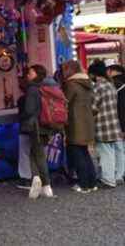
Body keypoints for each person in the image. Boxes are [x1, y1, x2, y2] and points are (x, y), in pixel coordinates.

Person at [60, 60, 97, 193]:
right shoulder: (87, 83)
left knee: (77, 154)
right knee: (85, 153)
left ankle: (84, 184)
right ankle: (92, 182)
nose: (63, 72)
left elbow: (64, 103)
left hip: (75, 123)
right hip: (87, 122)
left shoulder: (71, 84)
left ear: (70, 69)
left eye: (64, 69)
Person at [19, 64, 55, 199]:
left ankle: (44, 184)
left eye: (30, 72)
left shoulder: (33, 89)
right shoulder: (49, 86)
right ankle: (39, 181)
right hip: (48, 125)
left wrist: (22, 116)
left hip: (35, 127)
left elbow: (29, 110)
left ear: (36, 74)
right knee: (36, 153)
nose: (28, 75)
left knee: (37, 155)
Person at [89, 60, 124, 188]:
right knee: (116, 151)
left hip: (103, 125)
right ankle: (118, 176)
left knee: (105, 153)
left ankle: (108, 180)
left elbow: (93, 107)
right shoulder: (111, 85)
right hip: (114, 124)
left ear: (94, 74)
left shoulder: (98, 87)